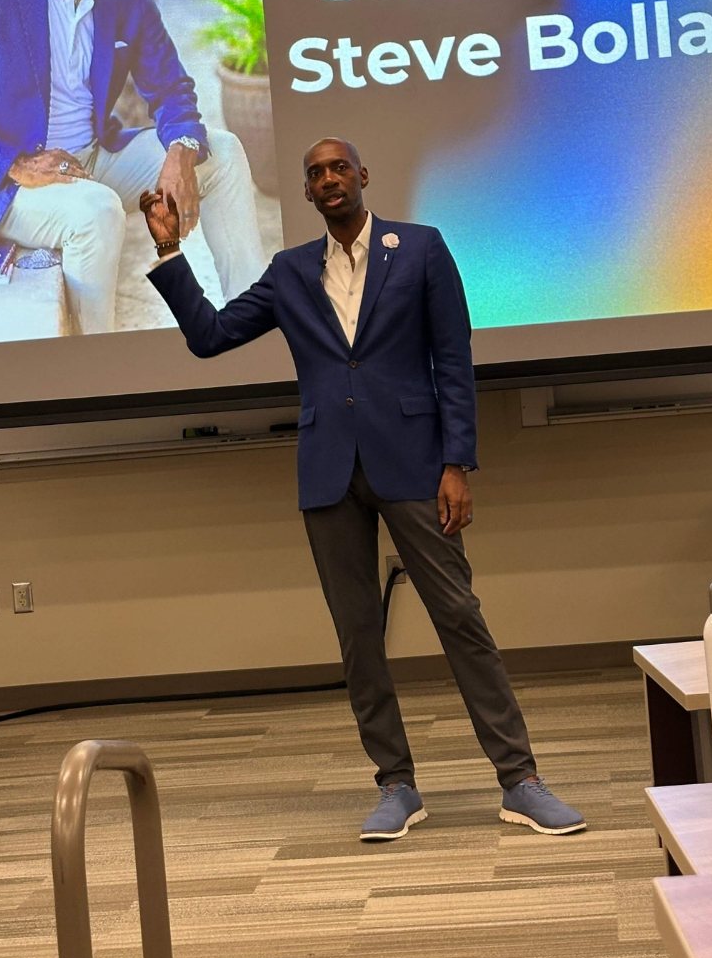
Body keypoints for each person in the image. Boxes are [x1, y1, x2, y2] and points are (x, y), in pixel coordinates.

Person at [141, 138, 586, 841]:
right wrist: (170, 251)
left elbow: (452, 359)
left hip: (415, 463)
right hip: (328, 471)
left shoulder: (422, 249)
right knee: (358, 637)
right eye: (316, 173)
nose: (328, 178)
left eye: (338, 168)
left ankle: (520, 779)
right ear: (308, 192)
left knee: (460, 618)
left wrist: (457, 463)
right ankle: (396, 785)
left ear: (362, 176)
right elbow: (211, 335)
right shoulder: (290, 271)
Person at [0, 0, 265, 334]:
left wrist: (181, 149)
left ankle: (253, 327)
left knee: (224, 153)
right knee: (98, 212)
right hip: (8, 184)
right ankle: (98, 363)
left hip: (94, 157)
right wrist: (15, 163)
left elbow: (170, 83)